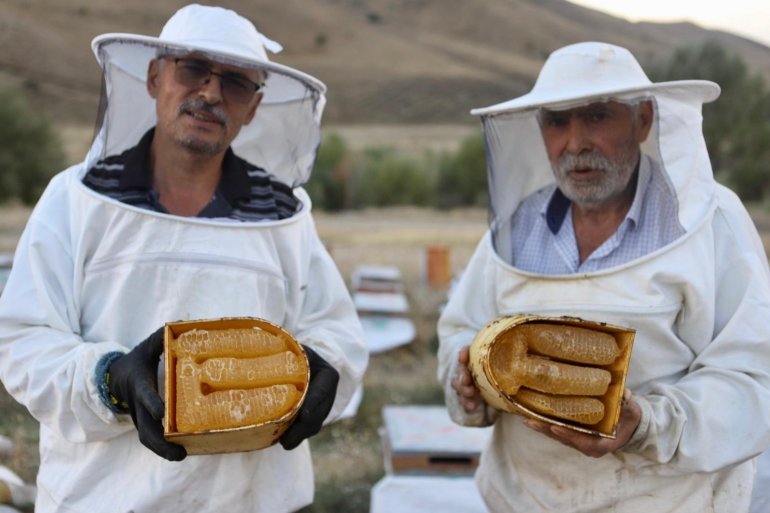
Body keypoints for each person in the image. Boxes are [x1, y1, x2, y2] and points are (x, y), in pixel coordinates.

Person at [0, 4, 368, 512]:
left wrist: (321, 371)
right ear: (155, 78)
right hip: (101, 499)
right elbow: (23, 341)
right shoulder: (76, 199)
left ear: (254, 107)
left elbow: (337, 335)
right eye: (193, 69)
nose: (211, 93)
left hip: (251, 501)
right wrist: (108, 379)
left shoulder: (283, 215)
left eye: (235, 82)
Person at [437, 41, 770, 512]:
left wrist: (645, 424)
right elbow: (459, 328)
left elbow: (753, 377)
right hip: (523, 499)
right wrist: (467, 379)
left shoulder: (711, 220)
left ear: (643, 120)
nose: (576, 143)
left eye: (596, 116)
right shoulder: (517, 227)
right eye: (557, 121)